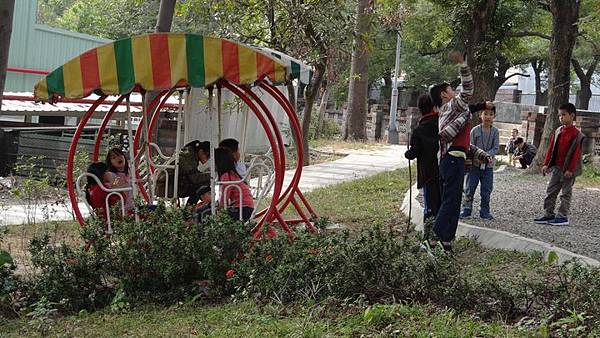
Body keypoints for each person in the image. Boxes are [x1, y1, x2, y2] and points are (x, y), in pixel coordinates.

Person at [422, 51, 473, 254]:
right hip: (452, 160)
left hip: (451, 160)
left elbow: (463, 142)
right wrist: (463, 65)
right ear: (444, 94)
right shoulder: (454, 105)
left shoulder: (448, 112)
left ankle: (446, 243)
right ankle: (433, 240)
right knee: (451, 202)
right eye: (451, 89)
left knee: (452, 202)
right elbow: (468, 90)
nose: (455, 91)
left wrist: (479, 155)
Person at [534, 103, 584, 226]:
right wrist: (546, 164)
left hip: (568, 170)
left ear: (572, 116)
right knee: (550, 191)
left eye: (564, 115)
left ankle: (562, 216)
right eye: (559, 115)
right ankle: (548, 214)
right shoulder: (558, 131)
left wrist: (570, 170)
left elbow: (576, 155)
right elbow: (551, 149)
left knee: (565, 194)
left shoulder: (577, 135)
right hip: (556, 168)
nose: (561, 118)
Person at [404, 94, 440, 223]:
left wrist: (408, 153)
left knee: (430, 205)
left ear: (420, 109)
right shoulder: (441, 123)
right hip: (443, 170)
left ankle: (428, 236)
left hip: (427, 173)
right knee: (441, 203)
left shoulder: (419, 129)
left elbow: (414, 152)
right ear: (434, 107)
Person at [460, 105, 499, 220]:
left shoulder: (495, 132)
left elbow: (496, 148)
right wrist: (477, 156)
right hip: (474, 166)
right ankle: (466, 209)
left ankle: (485, 211)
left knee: (486, 190)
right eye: (485, 114)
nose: (488, 117)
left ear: (494, 116)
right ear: (480, 115)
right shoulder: (475, 130)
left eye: (491, 114)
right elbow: (470, 146)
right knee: (469, 188)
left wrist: (487, 156)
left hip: (488, 167)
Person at [155, 140, 211, 206]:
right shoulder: (188, 158)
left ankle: (191, 209)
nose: (208, 159)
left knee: (202, 185)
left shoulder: (189, 156)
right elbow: (193, 178)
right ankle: (188, 211)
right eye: (208, 156)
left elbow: (193, 175)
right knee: (199, 187)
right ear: (201, 152)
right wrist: (210, 175)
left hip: (169, 185)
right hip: (167, 187)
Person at [214, 147, 254, 222]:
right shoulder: (233, 174)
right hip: (247, 207)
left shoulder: (226, 176)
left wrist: (218, 208)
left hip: (242, 209)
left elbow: (224, 197)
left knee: (211, 215)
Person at [106, 148, 133, 212]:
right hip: (122, 210)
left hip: (133, 206)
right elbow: (114, 187)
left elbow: (136, 162)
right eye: (114, 157)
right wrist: (117, 181)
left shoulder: (128, 171)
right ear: (110, 162)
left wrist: (143, 149)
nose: (118, 158)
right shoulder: (112, 175)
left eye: (120, 155)